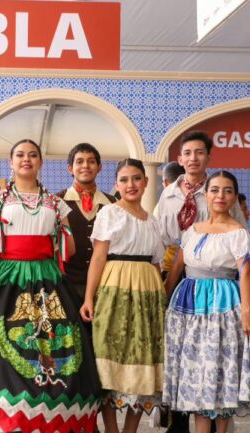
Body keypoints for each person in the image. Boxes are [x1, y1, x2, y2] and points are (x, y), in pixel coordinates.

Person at [0, 139, 102, 433]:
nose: (26, 159)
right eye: (20, 155)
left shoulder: (55, 203)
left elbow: (71, 247)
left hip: (47, 281)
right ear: (10, 163)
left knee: (54, 344)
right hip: (4, 278)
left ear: (40, 162)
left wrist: (50, 247)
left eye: (32, 155)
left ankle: (49, 414)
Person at [163, 170, 250, 433]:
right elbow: (176, 267)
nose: (220, 195)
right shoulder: (192, 230)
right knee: (195, 374)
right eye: (215, 189)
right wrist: (164, 299)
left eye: (227, 190)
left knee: (219, 370)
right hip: (187, 305)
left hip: (223, 303)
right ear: (205, 195)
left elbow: (246, 271)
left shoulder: (237, 232)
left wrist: (245, 311)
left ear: (233, 198)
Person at [158, 131, 246, 433]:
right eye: (187, 153)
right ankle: (180, 418)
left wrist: (244, 307)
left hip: (217, 278)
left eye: (199, 152)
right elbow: (161, 233)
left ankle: (219, 419)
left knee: (215, 355)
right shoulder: (168, 193)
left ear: (208, 156)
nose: (192, 158)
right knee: (184, 351)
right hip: (179, 267)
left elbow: (242, 260)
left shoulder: (217, 188)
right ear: (179, 158)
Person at [79, 158, 166, 433]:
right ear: (116, 184)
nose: (131, 185)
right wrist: (89, 298)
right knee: (110, 357)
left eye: (137, 178)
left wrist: (160, 301)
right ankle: (111, 430)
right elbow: (98, 257)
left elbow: (156, 263)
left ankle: (130, 430)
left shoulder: (152, 221)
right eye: (125, 180)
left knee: (143, 359)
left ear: (146, 182)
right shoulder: (110, 214)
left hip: (148, 294)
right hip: (115, 289)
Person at [57, 142, 115, 299]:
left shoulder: (113, 203)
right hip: (67, 282)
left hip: (105, 283)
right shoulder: (56, 201)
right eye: (80, 161)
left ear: (99, 167)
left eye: (91, 161)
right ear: (70, 168)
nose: (86, 166)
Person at [155, 161, 185, 280]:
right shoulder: (196, 201)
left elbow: (159, 240)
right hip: (195, 267)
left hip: (170, 266)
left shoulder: (162, 205)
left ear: (166, 182)